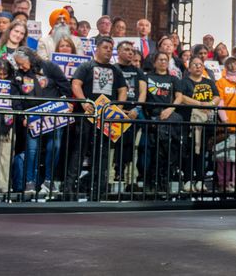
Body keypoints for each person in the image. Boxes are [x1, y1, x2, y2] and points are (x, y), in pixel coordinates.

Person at [67, 37, 127, 197]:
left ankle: (98, 188)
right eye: (106, 47)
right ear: (97, 49)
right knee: (80, 150)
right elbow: (76, 83)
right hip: (87, 115)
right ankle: (69, 187)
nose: (108, 50)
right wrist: (84, 101)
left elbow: (123, 90)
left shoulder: (116, 70)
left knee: (103, 153)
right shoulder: (87, 66)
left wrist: (118, 108)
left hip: (106, 116)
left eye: (110, 48)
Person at [11, 46, 71, 196]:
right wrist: (22, 115)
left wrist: (69, 104)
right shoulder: (18, 74)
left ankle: (49, 181)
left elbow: (65, 86)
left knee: (55, 146)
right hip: (32, 117)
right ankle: (29, 182)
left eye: (21, 63)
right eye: (17, 64)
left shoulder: (49, 67)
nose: (20, 67)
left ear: (30, 58)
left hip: (54, 114)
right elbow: (15, 97)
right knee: (31, 150)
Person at [142, 51, 184, 192]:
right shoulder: (147, 77)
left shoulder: (173, 79)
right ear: (154, 62)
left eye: (165, 59)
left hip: (168, 114)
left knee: (167, 143)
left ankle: (163, 178)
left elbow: (179, 97)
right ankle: (156, 179)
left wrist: (169, 109)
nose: (163, 62)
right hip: (152, 115)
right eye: (160, 59)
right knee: (159, 144)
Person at [177, 57, 220, 193]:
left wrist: (210, 104)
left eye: (200, 65)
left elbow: (217, 97)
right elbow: (182, 97)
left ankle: (200, 180)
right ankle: (188, 180)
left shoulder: (209, 82)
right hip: (190, 121)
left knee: (202, 151)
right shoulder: (184, 82)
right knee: (189, 151)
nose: (198, 67)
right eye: (195, 64)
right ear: (189, 68)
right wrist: (200, 104)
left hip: (206, 121)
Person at [114, 40, 146, 190]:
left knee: (132, 147)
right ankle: (113, 177)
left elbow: (143, 91)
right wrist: (117, 110)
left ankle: (129, 180)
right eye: (127, 49)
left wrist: (137, 109)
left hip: (133, 113)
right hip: (116, 113)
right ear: (118, 51)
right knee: (114, 147)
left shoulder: (138, 71)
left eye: (132, 50)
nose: (130, 52)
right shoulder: (113, 68)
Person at [214, 56, 236, 192]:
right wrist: (224, 119)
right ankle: (224, 182)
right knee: (224, 156)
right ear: (225, 66)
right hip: (227, 124)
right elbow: (220, 101)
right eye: (230, 64)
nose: (233, 66)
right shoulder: (220, 82)